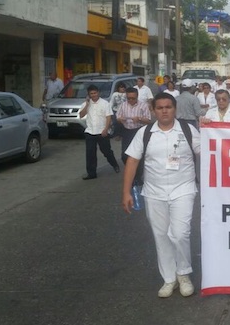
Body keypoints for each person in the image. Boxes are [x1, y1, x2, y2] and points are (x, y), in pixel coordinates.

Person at [121, 92, 200, 298]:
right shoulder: (145, 133)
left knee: (180, 233)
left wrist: (211, 128)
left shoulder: (188, 130)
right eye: (160, 107)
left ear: (175, 109)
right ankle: (169, 278)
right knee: (161, 235)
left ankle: (183, 274)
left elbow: (208, 152)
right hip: (154, 192)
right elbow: (132, 161)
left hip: (183, 188)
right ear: (153, 110)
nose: (164, 111)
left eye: (168, 107)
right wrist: (126, 192)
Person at [78, 84, 120, 180]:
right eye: (91, 93)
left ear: (98, 93)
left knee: (106, 151)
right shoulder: (86, 104)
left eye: (95, 93)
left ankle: (115, 164)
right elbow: (81, 115)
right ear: (89, 94)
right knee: (90, 154)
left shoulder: (105, 103)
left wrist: (106, 129)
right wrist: (87, 104)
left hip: (102, 131)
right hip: (90, 131)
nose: (93, 95)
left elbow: (108, 117)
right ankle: (91, 173)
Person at [116, 87, 152, 164]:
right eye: (129, 98)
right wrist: (121, 119)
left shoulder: (143, 106)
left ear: (137, 96)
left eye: (133, 98)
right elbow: (117, 117)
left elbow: (148, 120)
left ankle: (137, 170)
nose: (131, 100)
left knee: (138, 153)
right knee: (125, 154)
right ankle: (129, 167)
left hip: (138, 130)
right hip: (126, 131)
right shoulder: (123, 105)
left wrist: (139, 119)